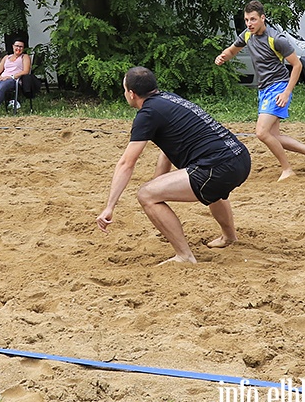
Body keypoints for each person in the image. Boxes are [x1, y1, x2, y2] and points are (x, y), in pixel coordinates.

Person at [96, 67, 252, 264]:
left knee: (145, 194)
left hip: (218, 167)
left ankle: (184, 256)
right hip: (240, 157)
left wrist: (109, 207)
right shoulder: (168, 98)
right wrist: (158, 184)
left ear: (131, 93)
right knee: (209, 189)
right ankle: (229, 236)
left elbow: (127, 163)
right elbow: (166, 151)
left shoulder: (147, 114)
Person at [215, 0, 305, 181]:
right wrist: (222, 57)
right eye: (246, 20)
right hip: (264, 89)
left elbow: (297, 65)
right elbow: (232, 51)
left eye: (253, 19)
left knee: (261, 132)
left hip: (278, 87)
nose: (249, 23)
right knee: (273, 136)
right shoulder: (247, 35)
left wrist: (287, 92)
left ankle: (287, 169)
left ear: (262, 18)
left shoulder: (276, 39)